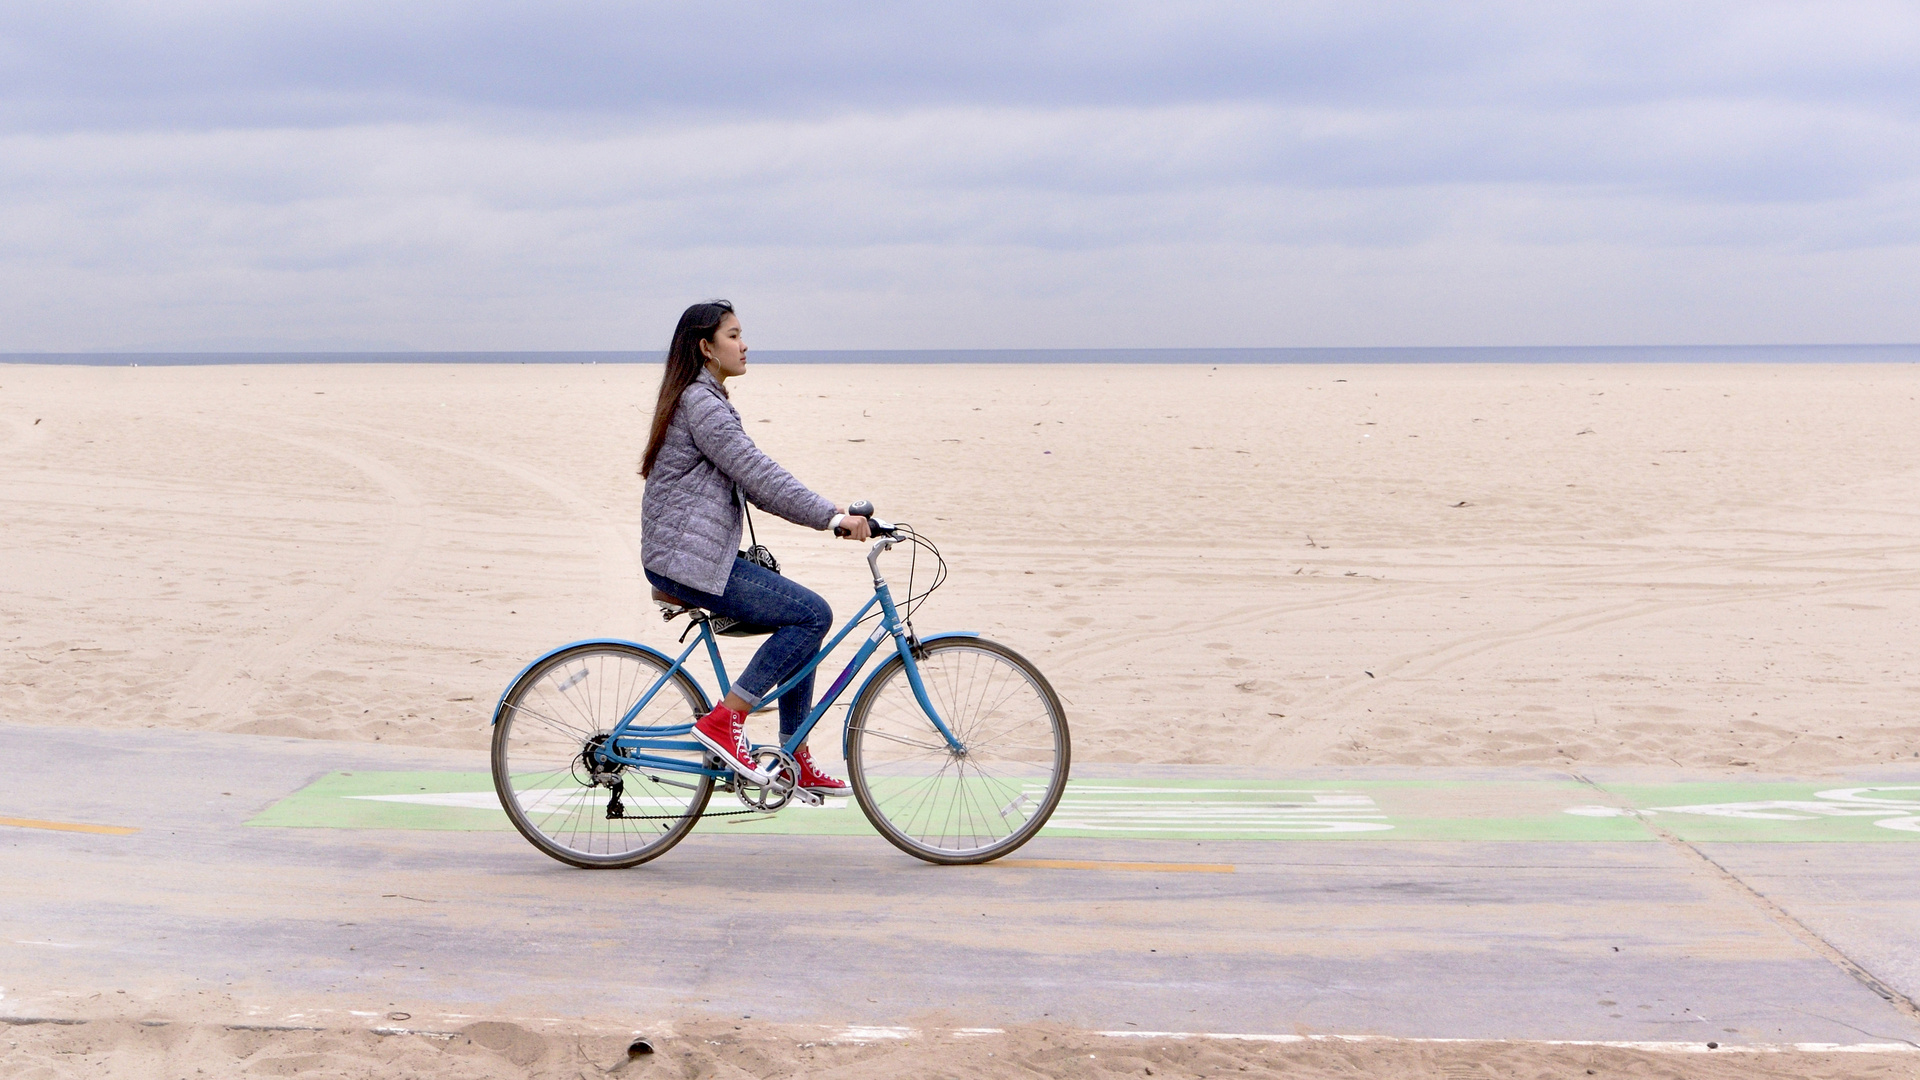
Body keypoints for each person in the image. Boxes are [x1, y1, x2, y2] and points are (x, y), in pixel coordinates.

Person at [638, 299, 869, 795]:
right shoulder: (702, 405)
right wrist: (831, 517)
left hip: (693, 558)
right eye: (734, 335)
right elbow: (760, 476)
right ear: (706, 347)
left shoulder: (704, 399)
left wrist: (834, 514)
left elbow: (754, 482)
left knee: (800, 623)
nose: (744, 345)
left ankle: (792, 756)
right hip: (688, 564)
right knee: (811, 615)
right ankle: (726, 720)